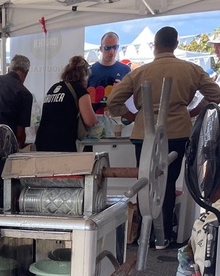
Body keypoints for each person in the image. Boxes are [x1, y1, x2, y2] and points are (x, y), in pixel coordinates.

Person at [107, 26, 220, 249]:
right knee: (167, 182)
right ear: (176, 44)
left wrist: (134, 116)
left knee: (145, 181)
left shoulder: (139, 72)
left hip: (144, 133)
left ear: (155, 46)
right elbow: (215, 94)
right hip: (177, 130)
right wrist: (194, 111)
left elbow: (113, 102)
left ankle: (145, 234)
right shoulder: (191, 69)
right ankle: (164, 234)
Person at [34, 56, 97, 152]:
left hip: (42, 141)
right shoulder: (80, 90)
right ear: (84, 75)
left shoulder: (54, 88)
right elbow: (90, 121)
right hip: (62, 143)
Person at [87, 32, 131, 113]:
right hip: (95, 116)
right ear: (101, 49)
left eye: (115, 47)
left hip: (117, 116)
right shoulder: (90, 70)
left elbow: (132, 98)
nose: (112, 51)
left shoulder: (126, 70)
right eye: (107, 48)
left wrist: (122, 89)